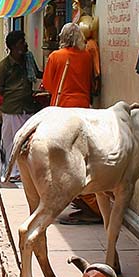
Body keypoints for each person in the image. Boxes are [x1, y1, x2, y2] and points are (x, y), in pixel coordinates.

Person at [42, 23, 102, 225]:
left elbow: (49, 85)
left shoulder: (56, 56)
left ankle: (87, 202)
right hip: (83, 109)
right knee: (82, 159)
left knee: (64, 162)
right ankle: (85, 200)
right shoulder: (86, 56)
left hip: (62, 111)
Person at [0, 30, 35, 182]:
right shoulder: (4, 66)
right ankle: (8, 171)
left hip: (27, 107)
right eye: (22, 42)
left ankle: (22, 172)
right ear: (14, 46)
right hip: (12, 109)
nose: (25, 44)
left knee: (25, 143)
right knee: (10, 141)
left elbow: (36, 74)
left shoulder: (28, 61)